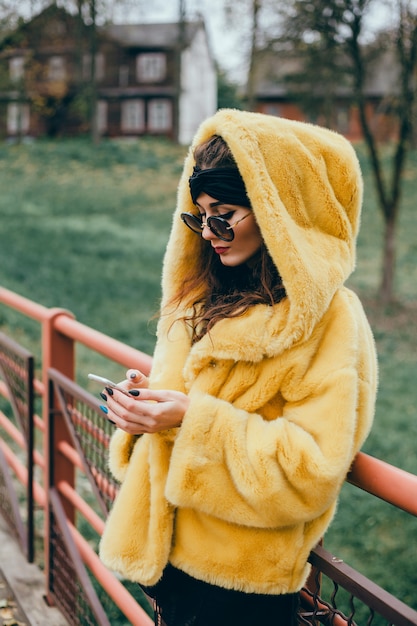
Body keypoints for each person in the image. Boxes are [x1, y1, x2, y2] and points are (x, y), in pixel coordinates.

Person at [99, 109, 378, 626]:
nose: (210, 233)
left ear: (279, 214)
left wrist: (190, 419)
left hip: (241, 586)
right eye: (199, 215)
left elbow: (312, 470)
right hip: (169, 566)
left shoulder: (332, 318)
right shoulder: (201, 298)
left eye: (224, 213)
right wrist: (145, 403)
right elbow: (183, 404)